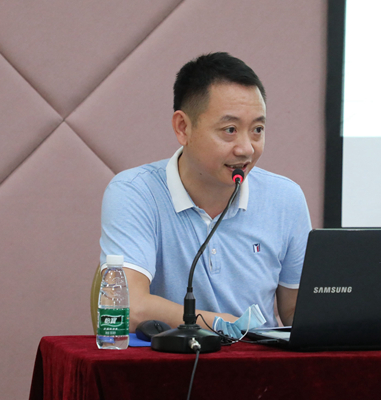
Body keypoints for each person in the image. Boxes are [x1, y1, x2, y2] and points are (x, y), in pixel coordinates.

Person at [99, 52, 312, 333]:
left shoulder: (285, 198)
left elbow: (297, 312)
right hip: (175, 359)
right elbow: (128, 305)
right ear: (183, 127)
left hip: (260, 359)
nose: (246, 148)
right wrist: (226, 326)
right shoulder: (135, 192)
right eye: (230, 130)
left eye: (257, 129)